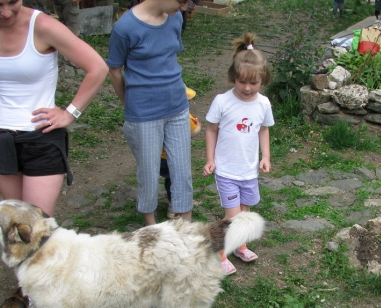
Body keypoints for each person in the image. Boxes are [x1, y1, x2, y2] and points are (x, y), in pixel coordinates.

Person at [0, 0, 108, 237]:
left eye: (13, 2)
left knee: (34, 229)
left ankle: (45, 274)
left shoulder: (43, 26)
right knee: (12, 227)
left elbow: (97, 67)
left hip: (41, 139)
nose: (6, 12)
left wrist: (70, 112)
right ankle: (23, 275)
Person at [107, 0, 193, 226]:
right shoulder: (125, 28)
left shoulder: (175, 17)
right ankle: (151, 227)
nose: (184, 7)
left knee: (182, 170)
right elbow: (114, 69)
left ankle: (186, 227)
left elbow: (170, 58)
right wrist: (129, 103)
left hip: (177, 107)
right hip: (143, 113)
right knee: (148, 172)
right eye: (181, 1)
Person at [202, 33, 274, 275]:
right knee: (232, 216)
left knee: (244, 213)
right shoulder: (222, 101)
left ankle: (239, 244)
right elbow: (211, 130)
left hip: (248, 171)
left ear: (263, 81)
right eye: (242, 81)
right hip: (226, 171)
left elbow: (263, 130)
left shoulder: (263, 104)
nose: (247, 88)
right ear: (234, 77)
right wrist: (211, 159)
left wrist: (265, 157)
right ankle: (220, 252)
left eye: (253, 83)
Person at [161, 87, 202, 219]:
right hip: (172, 156)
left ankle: (167, 198)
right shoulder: (185, 117)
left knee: (168, 178)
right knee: (175, 179)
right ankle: (174, 206)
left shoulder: (158, 115)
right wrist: (199, 125)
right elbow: (193, 132)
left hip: (158, 156)